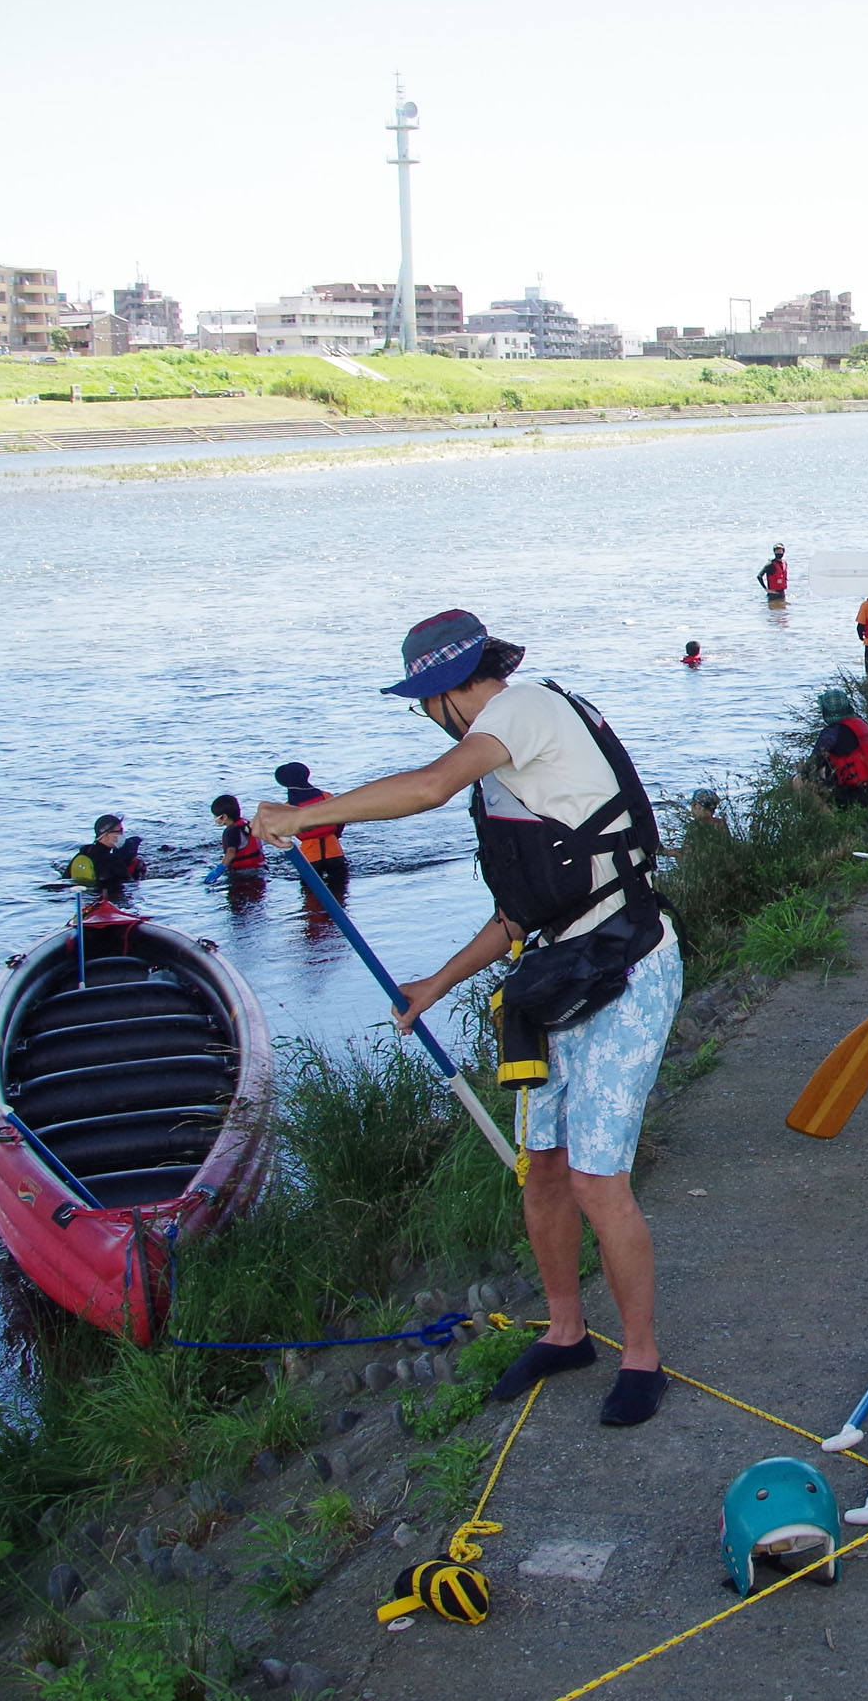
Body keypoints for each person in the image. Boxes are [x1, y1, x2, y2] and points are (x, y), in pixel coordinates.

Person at [254, 610, 683, 1425]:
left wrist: (302, 816)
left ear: (451, 690)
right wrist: (436, 983)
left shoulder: (519, 710)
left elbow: (425, 787)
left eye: (425, 702)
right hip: (557, 970)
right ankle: (565, 1333)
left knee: (598, 1179)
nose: (426, 716)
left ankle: (641, 1355)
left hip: (628, 965)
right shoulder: (505, 768)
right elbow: (523, 913)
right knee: (545, 1170)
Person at [273, 762, 348, 884]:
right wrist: (336, 835)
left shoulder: (288, 808)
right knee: (340, 892)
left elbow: (283, 833)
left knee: (310, 895)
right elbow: (341, 819)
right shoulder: (325, 797)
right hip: (334, 852)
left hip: (310, 857)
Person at [810, 691, 868, 806]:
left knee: (799, 779)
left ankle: (830, 819)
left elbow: (811, 765)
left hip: (852, 796)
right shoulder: (861, 724)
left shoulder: (831, 733)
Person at [66, 813, 145, 887]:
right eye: (119, 831)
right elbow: (129, 885)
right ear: (105, 835)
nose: (122, 835)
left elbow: (64, 880)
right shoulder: (112, 861)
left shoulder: (82, 854)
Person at [210, 794, 265, 880]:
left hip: (242, 872)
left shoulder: (231, 832)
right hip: (259, 867)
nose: (215, 819)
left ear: (224, 817)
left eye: (216, 816)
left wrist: (220, 869)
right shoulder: (246, 824)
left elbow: (231, 852)